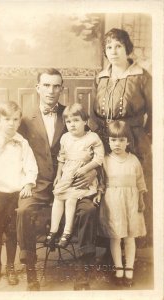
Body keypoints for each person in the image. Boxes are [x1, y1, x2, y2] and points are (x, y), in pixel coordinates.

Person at [17, 68, 98, 291]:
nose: (51, 91)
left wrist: (92, 172)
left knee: (88, 210)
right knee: (24, 210)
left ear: (62, 88)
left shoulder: (72, 115)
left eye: (56, 86)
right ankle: (31, 272)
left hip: (73, 183)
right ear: (38, 88)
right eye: (46, 85)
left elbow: (93, 146)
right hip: (40, 185)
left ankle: (82, 270)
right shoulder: (25, 119)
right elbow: (18, 155)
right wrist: (25, 181)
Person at [93, 27, 152, 246]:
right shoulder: (101, 77)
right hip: (107, 141)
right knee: (110, 190)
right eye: (109, 47)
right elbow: (94, 113)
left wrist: (147, 138)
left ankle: (136, 247)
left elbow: (156, 112)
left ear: (127, 48)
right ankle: (110, 244)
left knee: (133, 190)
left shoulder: (142, 76)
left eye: (118, 46)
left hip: (135, 141)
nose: (114, 51)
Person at [0, 101, 38, 286]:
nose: (11, 123)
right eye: (6, 119)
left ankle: (10, 267)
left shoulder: (23, 143)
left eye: (15, 119)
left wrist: (29, 183)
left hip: (15, 194)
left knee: (13, 232)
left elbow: (31, 166)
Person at [45, 103, 104, 249]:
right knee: (58, 196)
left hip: (81, 177)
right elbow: (61, 157)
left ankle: (67, 232)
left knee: (71, 199)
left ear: (85, 121)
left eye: (76, 120)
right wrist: (58, 174)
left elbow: (99, 159)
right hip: (67, 174)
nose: (72, 125)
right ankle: (53, 230)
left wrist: (85, 169)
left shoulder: (92, 138)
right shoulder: (65, 138)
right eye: (69, 121)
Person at [99, 120, 147, 287]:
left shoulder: (133, 160)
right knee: (115, 236)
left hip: (131, 203)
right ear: (108, 141)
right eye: (113, 140)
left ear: (128, 141)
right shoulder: (105, 160)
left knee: (129, 237)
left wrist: (141, 200)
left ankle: (129, 268)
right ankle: (118, 268)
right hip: (113, 202)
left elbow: (140, 183)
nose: (117, 144)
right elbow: (101, 183)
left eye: (121, 140)